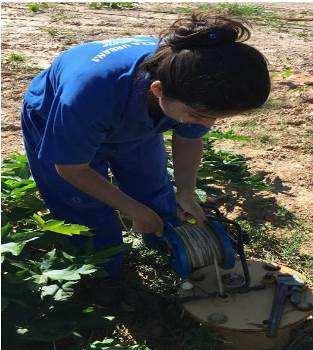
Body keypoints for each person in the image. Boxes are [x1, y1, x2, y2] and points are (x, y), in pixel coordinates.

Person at [21, 13, 270, 278]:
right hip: (60, 118)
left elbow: (189, 137)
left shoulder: (194, 85)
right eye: (198, 116)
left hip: (134, 119)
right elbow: (71, 169)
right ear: (158, 90)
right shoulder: (90, 93)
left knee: (151, 188)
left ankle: (168, 242)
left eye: (216, 117)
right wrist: (133, 210)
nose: (207, 124)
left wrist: (186, 190)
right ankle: (102, 273)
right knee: (85, 209)